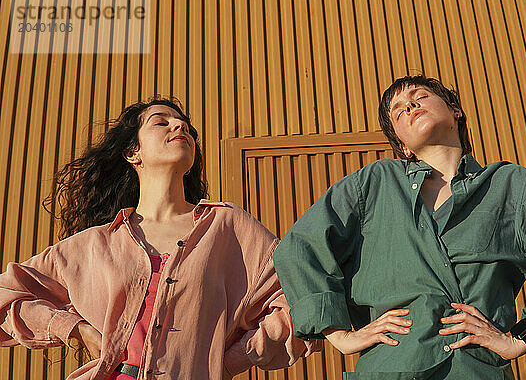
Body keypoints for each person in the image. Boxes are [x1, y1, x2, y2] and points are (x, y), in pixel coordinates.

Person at [272, 75, 526, 379]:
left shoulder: (509, 186)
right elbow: (301, 247)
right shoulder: (374, 183)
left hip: (474, 370)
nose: (410, 106)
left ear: (455, 110)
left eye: (420, 97)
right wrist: (339, 334)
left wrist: (521, 337)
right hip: (390, 369)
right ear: (402, 145)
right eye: (398, 111)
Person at [0, 98, 319, 380]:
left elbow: (301, 299)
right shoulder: (95, 244)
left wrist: (230, 361)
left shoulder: (228, 226)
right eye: (161, 122)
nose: (181, 125)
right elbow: (6, 294)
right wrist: (74, 329)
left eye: (186, 126)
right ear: (132, 152)